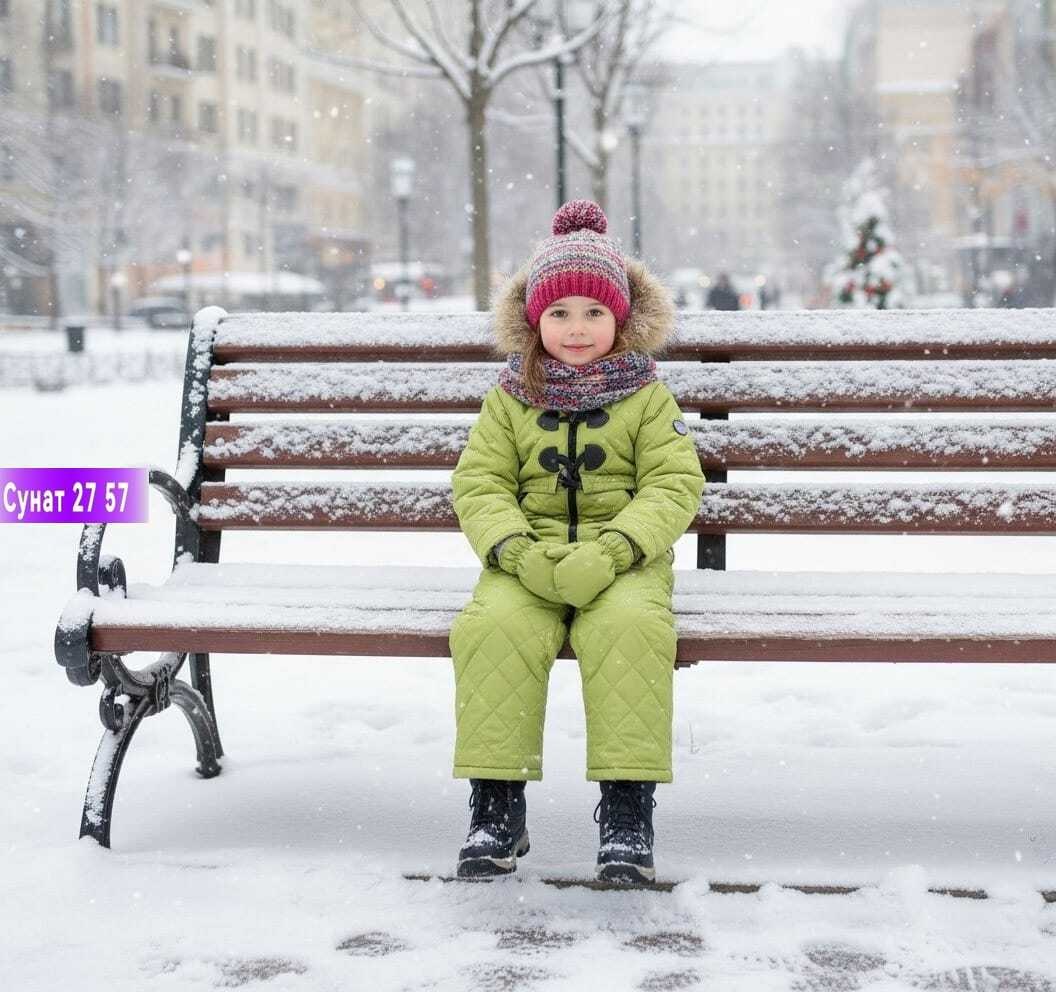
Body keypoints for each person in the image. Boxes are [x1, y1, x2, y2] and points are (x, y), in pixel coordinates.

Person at [448, 199, 706, 883]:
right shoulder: (509, 397)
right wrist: (514, 552)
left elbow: (674, 484)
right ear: (535, 321)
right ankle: (496, 804)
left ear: (620, 318)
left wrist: (617, 549)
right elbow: (480, 484)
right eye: (559, 313)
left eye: (594, 312)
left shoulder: (646, 397)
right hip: (525, 559)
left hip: (625, 561)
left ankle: (627, 810)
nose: (577, 327)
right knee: (493, 628)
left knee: (628, 631)